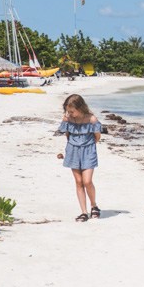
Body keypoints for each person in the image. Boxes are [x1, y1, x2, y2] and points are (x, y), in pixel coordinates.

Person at [57, 94, 102, 222]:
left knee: (87, 181)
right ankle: (84, 212)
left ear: (80, 108)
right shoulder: (67, 119)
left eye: (72, 111)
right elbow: (67, 134)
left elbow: (97, 137)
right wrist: (74, 144)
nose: (70, 113)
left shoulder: (92, 119)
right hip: (73, 150)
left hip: (88, 150)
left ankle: (94, 206)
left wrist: (87, 145)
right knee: (78, 182)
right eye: (67, 111)